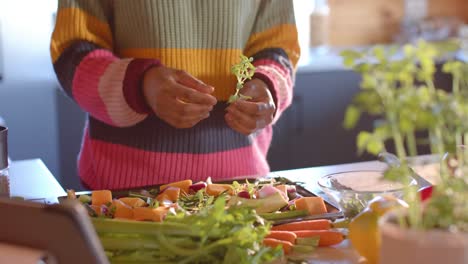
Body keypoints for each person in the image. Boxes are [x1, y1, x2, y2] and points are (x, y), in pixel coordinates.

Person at [51, 0, 300, 190]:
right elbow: (73, 53)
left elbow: (278, 50)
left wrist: (268, 87)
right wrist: (140, 84)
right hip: (124, 192)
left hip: (241, 186)